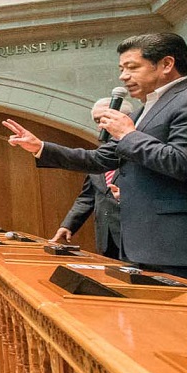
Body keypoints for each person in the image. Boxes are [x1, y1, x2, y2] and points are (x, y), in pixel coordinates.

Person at [4, 32, 187, 291]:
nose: (123, 76)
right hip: (147, 246)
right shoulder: (148, 108)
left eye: (132, 67)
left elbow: (184, 163)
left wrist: (128, 134)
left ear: (166, 64)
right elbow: (101, 158)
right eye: (121, 69)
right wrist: (40, 147)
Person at [51, 98, 135, 258]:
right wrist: (69, 225)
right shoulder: (101, 154)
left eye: (102, 120)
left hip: (136, 236)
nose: (99, 126)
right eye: (97, 121)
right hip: (106, 237)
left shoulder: (142, 148)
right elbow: (88, 196)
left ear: (125, 117)